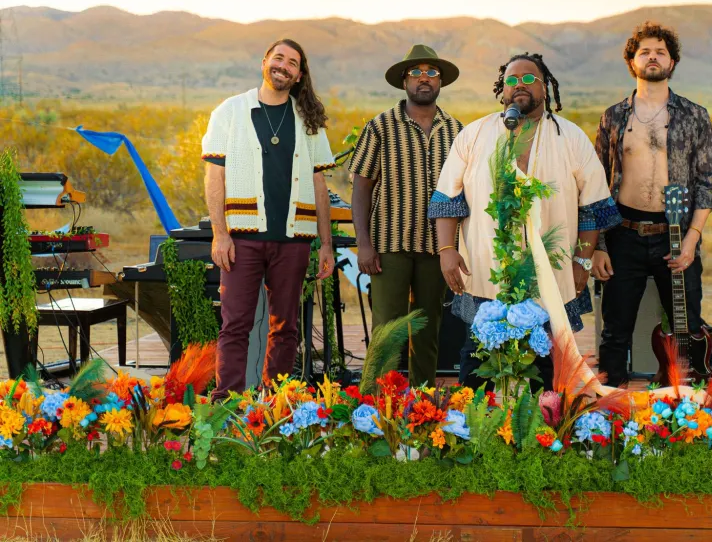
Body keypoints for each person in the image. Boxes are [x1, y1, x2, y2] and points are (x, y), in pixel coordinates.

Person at [429, 52, 620, 390]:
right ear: (501, 90)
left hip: (550, 270)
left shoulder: (571, 137)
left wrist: (582, 259)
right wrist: (446, 249)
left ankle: (539, 434)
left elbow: (592, 206)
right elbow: (448, 199)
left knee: (543, 362)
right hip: (485, 270)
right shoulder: (474, 135)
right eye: (511, 80)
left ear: (545, 87)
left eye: (529, 78)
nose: (519, 84)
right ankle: (474, 430)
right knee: (476, 358)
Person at [202, 39, 336, 400]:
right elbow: (215, 177)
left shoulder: (308, 121)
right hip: (242, 237)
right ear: (265, 61)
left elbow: (318, 182)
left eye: (293, 63)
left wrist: (326, 244)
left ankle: (275, 403)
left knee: (286, 326)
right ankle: (227, 402)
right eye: (279, 57)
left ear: (298, 75)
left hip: (293, 239)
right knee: (236, 324)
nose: (284, 66)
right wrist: (220, 233)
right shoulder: (229, 112)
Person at [593, 21, 712, 385]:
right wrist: (599, 245)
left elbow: (708, 183)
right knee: (615, 332)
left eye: (660, 51)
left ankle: (679, 413)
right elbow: (598, 186)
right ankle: (608, 416)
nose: (652, 57)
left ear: (673, 62)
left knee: (688, 329)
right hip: (623, 234)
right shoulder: (614, 117)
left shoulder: (694, 116)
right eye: (644, 51)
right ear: (632, 61)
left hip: (677, 235)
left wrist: (692, 242)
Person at [349, 44, 463, 387]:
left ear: (441, 81)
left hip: (437, 249)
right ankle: (371, 405)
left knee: (428, 330)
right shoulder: (380, 127)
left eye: (432, 73)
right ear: (404, 81)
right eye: (416, 73)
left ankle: (421, 404)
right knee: (386, 330)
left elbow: (465, 192)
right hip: (389, 246)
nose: (424, 79)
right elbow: (361, 188)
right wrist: (364, 245)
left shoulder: (457, 131)